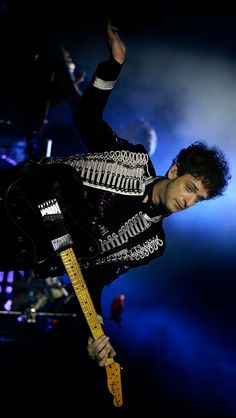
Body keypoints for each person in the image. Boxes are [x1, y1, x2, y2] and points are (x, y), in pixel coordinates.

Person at [0, 21, 231, 374]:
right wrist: (113, 65)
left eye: (199, 198)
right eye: (190, 188)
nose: (190, 201)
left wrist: (94, 331)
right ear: (174, 172)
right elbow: (87, 117)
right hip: (13, 197)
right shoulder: (131, 158)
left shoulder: (150, 244)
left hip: (18, 248)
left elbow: (92, 278)